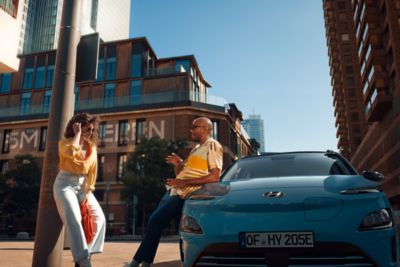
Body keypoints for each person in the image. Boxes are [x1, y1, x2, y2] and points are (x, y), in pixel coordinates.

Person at [124, 117, 223, 267]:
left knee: (155, 220)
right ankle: (145, 262)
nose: (191, 130)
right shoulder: (195, 149)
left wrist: (184, 182)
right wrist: (179, 165)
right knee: (154, 223)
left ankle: (136, 261)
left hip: (185, 193)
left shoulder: (213, 145)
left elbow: (215, 176)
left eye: (194, 127)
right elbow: (181, 174)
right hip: (174, 190)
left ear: (206, 128)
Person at [53, 113, 106, 267]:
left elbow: (93, 169)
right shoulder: (65, 144)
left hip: (83, 186)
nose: (90, 133)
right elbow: (70, 152)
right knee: (74, 219)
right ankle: (83, 261)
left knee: (99, 219)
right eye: (87, 129)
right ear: (77, 127)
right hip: (65, 185)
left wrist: (89, 189)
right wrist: (77, 135)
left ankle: (84, 252)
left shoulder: (92, 147)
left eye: (92, 130)